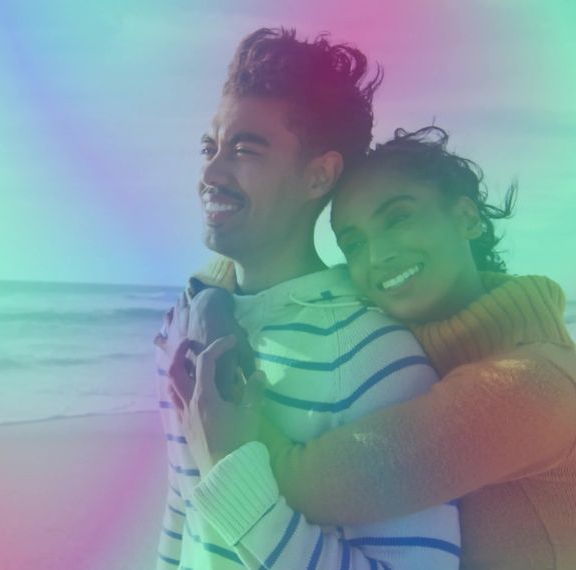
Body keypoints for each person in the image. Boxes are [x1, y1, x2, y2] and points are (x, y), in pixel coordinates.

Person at [182, 127, 576, 569]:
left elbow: (305, 481)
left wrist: (223, 426)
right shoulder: (407, 328)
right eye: (354, 242)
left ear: (467, 218)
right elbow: (289, 279)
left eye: (399, 218)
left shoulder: (532, 385)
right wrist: (215, 290)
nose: (378, 255)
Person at [153, 29, 460, 569]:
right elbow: (183, 515)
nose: (210, 173)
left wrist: (233, 475)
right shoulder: (183, 328)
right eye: (210, 147)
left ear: (318, 175)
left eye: (245, 150)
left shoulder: (374, 356)